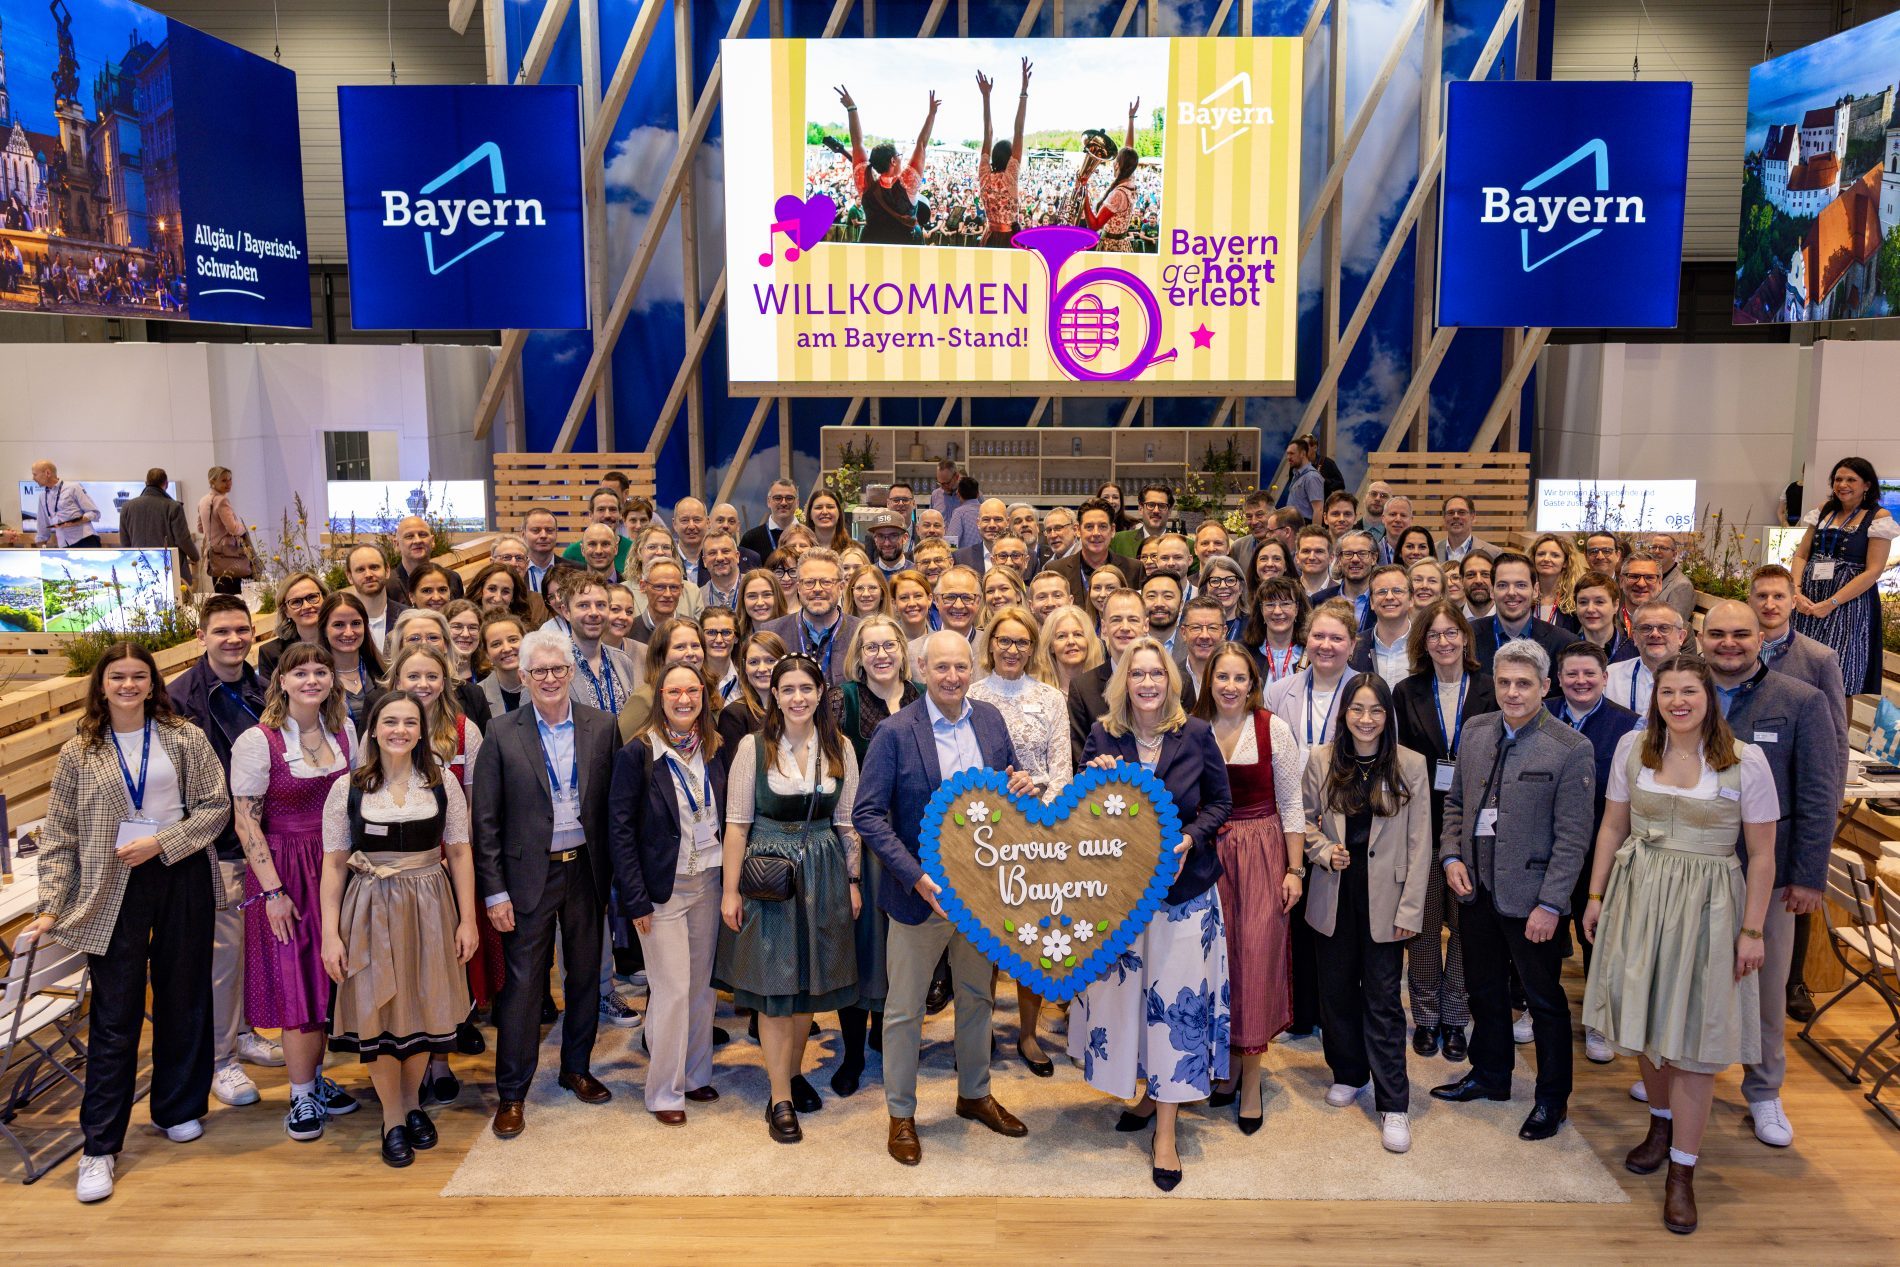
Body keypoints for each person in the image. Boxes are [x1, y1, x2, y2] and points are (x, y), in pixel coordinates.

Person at [22, 643, 229, 1203]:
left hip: (178, 870)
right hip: (110, 884)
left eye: (139, 676)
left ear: (152, 681)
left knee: (184, 995)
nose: (129, 685)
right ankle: (99, 1148)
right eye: (119, 677)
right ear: (102, 684)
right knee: (114, 1017)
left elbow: (215, 806)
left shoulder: (183, 735)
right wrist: (48, 906)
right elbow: (60, 834)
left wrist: (161, 841)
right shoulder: (78, 750)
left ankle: (179, 1107)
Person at [1580, 655, 1777, 1235]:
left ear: (1709, 697)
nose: (1678, 702)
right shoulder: (1633, 749)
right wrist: (1595, 895)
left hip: (1710, 908)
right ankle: (1660, 1125)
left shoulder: (1746, 762)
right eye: (1668, 692)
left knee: (1694, 1038)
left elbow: (1762, 854)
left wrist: (1753, 929)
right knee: (1643, 1018)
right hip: (1639, 897)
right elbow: (1613, 826)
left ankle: (1683, 1174)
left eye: (1689, 691)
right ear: (1655, 697)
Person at [854, 632, 1033, 1166]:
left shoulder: (991, 722)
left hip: (983, 893)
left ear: (971, 668)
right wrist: (914, 877)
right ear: (922, 669)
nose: (952, 677)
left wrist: (1020, 784)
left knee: (977, 998)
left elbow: (1008, 787)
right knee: (905, 1010)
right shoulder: (894, 732)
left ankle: (974, 1093)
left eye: (961, 667)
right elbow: (868, 814)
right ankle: (902, 1113)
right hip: (921, 896)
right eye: (941, 668)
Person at [1074, 639, 1233, 1191]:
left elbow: (1220, 802)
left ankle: (1166, 1132)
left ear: (1170, 681)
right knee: (1135, 1004)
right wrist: (1091, 780)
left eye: (1156, 674)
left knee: (1175, 1012)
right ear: (1124, 682)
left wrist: (1191, 837)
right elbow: (1082, 814)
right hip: (1123, 899)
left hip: (1185, 897)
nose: (1147, 682)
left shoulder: (1195, 734)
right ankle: (1146, 1097)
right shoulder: (1103, 735)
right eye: (1137, 673)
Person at [1432, 639, 1595, 1142]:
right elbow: (1457, 803)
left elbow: (1574, 838)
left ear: (1546, 688)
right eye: (1504, 682)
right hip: (1476, 889)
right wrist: (1451, 856)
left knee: (1545, 1002)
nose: (1512, 692)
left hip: (1533, 902)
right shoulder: (1477, 730)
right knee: (1483, 990)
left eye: (1524, 683)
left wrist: (1551, 904)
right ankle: (1490, 1075)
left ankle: (1551, 1100)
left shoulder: (1571, 748)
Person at [1698, 600, 1843, 1152]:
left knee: (1764, 983)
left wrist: (1808, 874)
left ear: (1762, 637)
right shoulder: (1685, 693)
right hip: (1695, 868)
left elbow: (1819, 792)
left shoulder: (1799, 701)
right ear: (1701, 638)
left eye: (1741, 634)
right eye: (1717, 634)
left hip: (1772, 874)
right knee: (1696, 978)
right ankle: (1690, 1073)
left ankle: (1763, 1090)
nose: (1728, 644)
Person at [471, 629, 621, 1139]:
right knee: (523, 988)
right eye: (540, 672)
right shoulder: (500, 732)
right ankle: (513, 1093)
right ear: (524, 676)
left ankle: (576, 1068)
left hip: (586, 871)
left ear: (571, 672)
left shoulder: (602, 727)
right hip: (525, 876)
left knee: (585, 977)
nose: (551, 679)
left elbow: (611, 811)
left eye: (559, 670)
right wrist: (494, 891)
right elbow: (485, 820)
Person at [318, 689, 477, 1168]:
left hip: (431, 902)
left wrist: (467, 919)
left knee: (425, 1004)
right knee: (377, 1011)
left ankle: (412, 1105)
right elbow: (333, 866)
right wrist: (331, 934)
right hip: (369, 906)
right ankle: (392, 1116)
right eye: (390, 722)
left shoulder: (441, 781)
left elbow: (462, 852)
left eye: (410, 723)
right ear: (373, 728)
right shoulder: (347, 788)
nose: (400, 731)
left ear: (422, 731)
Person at [715, 654, 863, 1142]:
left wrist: (854, 881)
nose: (798, 697)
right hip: (768, 874)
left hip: (824, 871)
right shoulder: (752, 749)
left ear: (821, 692)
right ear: (773, 695)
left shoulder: (840, 746)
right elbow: (736, 825)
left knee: (808, 988)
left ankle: (793, 1073)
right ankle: (778, 1098)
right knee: (775, 988)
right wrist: (730, 890)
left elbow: (847, 823)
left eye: (807, 688)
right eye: (788, 689)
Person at [228, 644, 358, 1141]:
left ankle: (316, 1080)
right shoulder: (258, 742)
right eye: (299, 671)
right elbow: (246, 822)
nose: (311, 679)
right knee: (296, 982)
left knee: (328, 981)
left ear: (332, 679)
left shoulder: (344, 732)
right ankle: (300, 1096)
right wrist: (274, 891)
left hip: (336, 866)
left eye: (320, 671)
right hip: (284, 870)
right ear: (281, 680)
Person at [1301, 672, 1430, 1153]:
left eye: (1376, 710)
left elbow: (1421, 844)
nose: (1366, 719)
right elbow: (1302, 820)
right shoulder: (1321, 760)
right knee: (1335, 993)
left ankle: (1394, 1102)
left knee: (1382, 1001)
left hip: (1387, 902)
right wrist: (1321, 851)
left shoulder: (1409, 764)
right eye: (1358, 709)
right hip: (1334, 893)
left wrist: (1411, 909)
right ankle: (1349, 1072)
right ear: (1345, 713)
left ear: (1387, 717)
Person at [166, 596, 278, 1107]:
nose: (233, 639)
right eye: (222, 631)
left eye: (241, 630)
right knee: (223, 960)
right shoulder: (180, 698)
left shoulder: (262, 688)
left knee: (252, 948)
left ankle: (248, 1033)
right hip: (215, 845)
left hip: (262, 838)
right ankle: (221, 1060)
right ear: (202, 638)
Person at [608, 663, 728, 1126]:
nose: (683, 699)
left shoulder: (716, 749)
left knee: (702, 988)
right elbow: (620, 831)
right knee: (672, 990)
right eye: (673, 691)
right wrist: (635, 899)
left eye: (691, 690)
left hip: (709, 883)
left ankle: (695, 1075)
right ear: (659, 697)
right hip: (661, 892)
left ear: (704, 694)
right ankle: (663, 1091)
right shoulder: (638, 753)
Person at [1193, 643, 1305, 1131]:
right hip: (1207, 854)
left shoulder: (1272, 728)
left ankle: (1252, 1077)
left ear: (1252, 682)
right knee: (1220, 961)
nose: (1230, 687)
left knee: (1255, 961)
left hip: (1261, 850)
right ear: (1208, 680)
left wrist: (1294, 870)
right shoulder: (1192, 728)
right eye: (1222, 677)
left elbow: (1292, 804)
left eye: (1240, 678)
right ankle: (1229, 1065)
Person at [1392, 601, 1497, 1062]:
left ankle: (1457, 1015)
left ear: (1465, 638)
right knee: (1422, 925)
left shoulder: (1492, 690)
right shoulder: (1407, 690)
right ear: (1423, 642)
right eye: (1434, 635)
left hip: (1476, 828)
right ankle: (1427, 1016)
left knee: (1465, 926)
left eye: (1452, 632)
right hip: (1420, 823)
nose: (1444, 642)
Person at [969, 605, 1072, 1076]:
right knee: (986, 937)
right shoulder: (969, 694)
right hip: (985, 832)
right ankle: (981, 1027)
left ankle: (1029, 1034)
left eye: (1022, 642)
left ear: (1033, 648)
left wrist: (1039, 802)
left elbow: (1064, 773)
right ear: (990, 644)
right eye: (1004, 641)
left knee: (1031, 939)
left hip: (1038, 832)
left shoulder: (1051, 698)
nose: (1012, 650)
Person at [825, 616, 920, 1096]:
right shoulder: (842, 700)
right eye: (871, 647)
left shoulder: (925, 695)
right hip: (864, 842)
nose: (881, 655)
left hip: (920, 846)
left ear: (903, 650)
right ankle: (854, 1051)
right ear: (858, 657)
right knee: (863, 952)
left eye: (889, 645)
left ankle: (890, 1036)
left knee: (903, 950)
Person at [1545, 640, 1640, 1063]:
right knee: (1543, 933)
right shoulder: (1539, 714)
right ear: (1558, 679)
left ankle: (1598, 1023)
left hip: (1602, 851)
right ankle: (1534, 1006)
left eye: (1589, 674)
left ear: (1605, 678)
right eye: (1571, 674)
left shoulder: (1631, 725)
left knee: (1596, 937)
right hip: (1546, 847)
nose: (1580, 681)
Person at [1789, 456, 1895, 694]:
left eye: (1851, 479)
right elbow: (1801, 555)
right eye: (1838, 479)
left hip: (1847, 606)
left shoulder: (1878, 517)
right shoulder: (1823, 510)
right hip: (1808, 603)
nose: (1842, 484)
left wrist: (1831, 603)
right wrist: (1795, 591)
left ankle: (1837, 733)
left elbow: (1873, 571)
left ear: (1866, 485)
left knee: (1839, 680)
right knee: (1801, 674)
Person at [833, 84, 940, 245]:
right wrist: (932, 114)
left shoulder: (866, 185)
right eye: (899, 155)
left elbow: (857, 144)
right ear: (893, 161)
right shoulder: (908, 183)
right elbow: (922, 145)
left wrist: (851, 108)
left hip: (873, 250)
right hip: (906, 251)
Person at [1471, 552, 1572, 676]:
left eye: (1521, 585)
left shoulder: (1562, 643)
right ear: (1492, 591)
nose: (1512, 592)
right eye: (1503, 585)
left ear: (1535, 590)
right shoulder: (1468, 638)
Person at [1073, 101, 1145, 252]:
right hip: (1122, 244)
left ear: (1118, 165)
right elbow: (1129, 149)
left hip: (1110, 247)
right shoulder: (1129, 182)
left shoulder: (1118, 194)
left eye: (1116, 160)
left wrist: (1084, 193)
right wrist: (1131, 118)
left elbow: (1094, 225)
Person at [975, 58, 1033, 246]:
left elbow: (987, 133)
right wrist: (1023, 92)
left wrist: (986, 97)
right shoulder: (1011, 176)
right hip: (1011, 240)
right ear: (1010, 159)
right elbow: (1019, 130)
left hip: (989, 237)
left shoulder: (984, 175)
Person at [566, 573, 638, 715]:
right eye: (583, 605)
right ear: (566, 612)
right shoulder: (550, 666)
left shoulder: (623, 661)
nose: (594, 613)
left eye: (601, 605)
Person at [317, 592, 385, 733]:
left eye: (355, 623)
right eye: (339, 625)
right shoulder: (315, 680)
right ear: (324, 630)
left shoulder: (384, 673)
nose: (349, 632)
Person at [1050, 498, 1142, 602]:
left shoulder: (1134, 570)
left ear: (1112, 530)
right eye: (1089, 527)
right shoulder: (1056, 570)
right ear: (1078, 531)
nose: (1096, 533)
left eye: (1102, 526)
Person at [1607, 601, 1688, 718]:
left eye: (1664, 628)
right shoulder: (1610, 677)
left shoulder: (1698, 680)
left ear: (1681, 637)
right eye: (1646, 628)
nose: (1655, 634)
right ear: (1634, 637)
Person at [119, 467, 200, 583]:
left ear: (146, 483)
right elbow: (183, 539)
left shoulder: (127, 507)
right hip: (170, 569)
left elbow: (125, 542)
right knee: (175, 600)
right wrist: (195, 557)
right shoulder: (173, 507)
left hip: (140, 568)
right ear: (166, 484)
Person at [1348, 564, 1414, 690]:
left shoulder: (1426, 646)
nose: (1389, 597)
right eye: (1381, 592)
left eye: (1397, 591)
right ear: (1372, 602)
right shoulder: (1354, 646)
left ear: (1411, 599)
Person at [257, 572, 329, 681]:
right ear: (286, 611)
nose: (307, 606)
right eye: (296, 602)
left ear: (325, 599)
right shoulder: (270, 653)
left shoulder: (343, 639)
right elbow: (270, 697)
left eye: (312, 597)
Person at [197, 467, 252, 594]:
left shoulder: (203, 501)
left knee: (221, 594)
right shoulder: (222, 500)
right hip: (228, 555)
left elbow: (200, 528)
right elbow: (233, 528)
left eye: (230, 479)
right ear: (212, 482)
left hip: (212, 556)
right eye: (223, 480)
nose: (228, 483)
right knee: (234, 597)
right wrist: (243, 527)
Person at [386, 516, 464, 605]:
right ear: (397, 544)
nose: (417, 540)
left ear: (432, 541)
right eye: (409, 536)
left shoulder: (453, 578)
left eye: (422, 535)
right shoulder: (388, 585)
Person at [344, 544, 408, 652]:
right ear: (350, 577)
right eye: (360, 569)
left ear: (387, 571)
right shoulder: (341, 622)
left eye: (374, 567)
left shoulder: (408, 617)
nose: (368, 574)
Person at [561, 488, 636, 577]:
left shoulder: (633, 550)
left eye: (612, 509)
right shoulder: (572, 553)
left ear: (620, 514)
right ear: (590, 514)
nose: (607, 515)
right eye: (601, 509)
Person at [31, 459, 103, 548]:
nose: (33, 478)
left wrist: (77, 521)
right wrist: (40, 549)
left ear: (47, 473)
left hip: (86, 540)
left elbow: (94, 512)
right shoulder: (42, 497)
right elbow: (42, 527)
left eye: (35, 475)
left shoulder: (73, 488)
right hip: (64, 545)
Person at [1572, 570, 1637, 665]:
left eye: (1599, 602)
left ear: (1615, 605)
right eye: (1583, 602)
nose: (1590, 609)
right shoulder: (1566, 651)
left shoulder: (1635, 652)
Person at [733, 631, 789, 733]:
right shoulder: (734, 715)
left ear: (784, 663)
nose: (762, 669)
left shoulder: (797, 707)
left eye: (770, 660)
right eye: (754, 662)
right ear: (745, 667)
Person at [479, 613, 528, 717]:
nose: (506, 649)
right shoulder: (478, 695)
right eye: (496, 644)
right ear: (487, 653)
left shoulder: (546, 683)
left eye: (513, 640)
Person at [741, 479, 803, 559]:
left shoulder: (809, 536)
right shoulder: (750, 539)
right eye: (777, 498)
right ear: (768, 501)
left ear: (797, 502)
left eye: (789, 498)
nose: (783, 503)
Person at [1529, 534, 1581, 629]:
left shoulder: (1575, 601)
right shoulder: (1524, 596)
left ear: (1565, 562)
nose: (1546, 559)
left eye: (1555, 555)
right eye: (1541, 554)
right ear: (1533, 559)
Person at [1646, 533, 1696, 625]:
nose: (1656, 551)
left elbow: (1674, 625)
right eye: (1653, 547)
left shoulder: (1682, 586)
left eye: (1663, 548)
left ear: (1674, 554)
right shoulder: (1651, 577)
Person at [1437, 495, 1496, 564]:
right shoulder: (1432, 551)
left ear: (1472, 517)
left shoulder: (1493, 553)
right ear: (1444, 518)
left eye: (1462, 512)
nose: (1456, 516)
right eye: (1450, 513)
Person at [739, 567, 788, 632]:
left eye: (767, 595)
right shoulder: (734, 637)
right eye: (752, 596)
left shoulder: (795, 632)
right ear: (743, 600)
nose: (760, 603)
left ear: (778, 597)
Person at [1459, 551, 1495, 621]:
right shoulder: (1449, 620)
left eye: (1485, 574)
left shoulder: (1512, 620)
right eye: (1471, 575)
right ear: (1461, 581)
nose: (1479, 581)